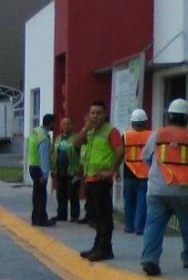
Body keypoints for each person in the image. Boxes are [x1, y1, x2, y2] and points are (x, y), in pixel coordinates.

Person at [140, 99, 188, 276]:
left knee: (153, 225)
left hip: (157, 189)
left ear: (169, 116)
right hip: (183, 190)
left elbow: (145, 157)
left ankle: (150, 259)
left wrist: (156, 173)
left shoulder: (158, 134)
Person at [73, 100, 124, 262]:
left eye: (98, 113)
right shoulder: (90, 131)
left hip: (101, 180)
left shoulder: (111, 131)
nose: (95, 116)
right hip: (90, 178)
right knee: (94, 216)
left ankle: (105, 248)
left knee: (104, 215)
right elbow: (75, 143)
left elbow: (120, 150)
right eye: (92, 113)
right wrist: (85, 128)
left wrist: (112, 170)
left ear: (105, 114)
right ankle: (97, 246)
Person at [123, 108, 151, 235]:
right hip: (145, 173)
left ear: (132, 123)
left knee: (129, 200)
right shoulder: (151, 135)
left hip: (129, 172)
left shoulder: (126, 136)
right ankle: (140, 228)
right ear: (145, 122)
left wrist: (114, 170)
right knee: (142, 201)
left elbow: (119, 153)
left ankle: (129, 226)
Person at [28, 113, 56, 227]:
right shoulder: (44, 138)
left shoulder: (35, 131)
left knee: (36, 194)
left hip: (32, 166)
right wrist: (45, 174)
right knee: (41, 195)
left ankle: (35, 218)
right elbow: (44, 156)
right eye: (54, 123)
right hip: (39, 168)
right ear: (50, 123)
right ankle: (41, 219)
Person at [51, 116, 81, 222]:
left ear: (72, 125)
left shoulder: (77, 138)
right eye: (63, 124)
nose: (66, 126)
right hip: (60, 171)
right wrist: (53, 168)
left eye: (68, 124)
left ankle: (74, 215)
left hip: (72, 171)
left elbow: (81, 154)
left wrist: (80, 170)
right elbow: (54, 154)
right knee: (60, 194)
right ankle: (61, 215)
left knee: (73, 194)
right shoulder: (58, 138)